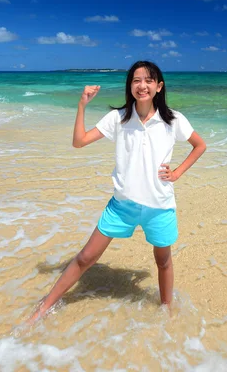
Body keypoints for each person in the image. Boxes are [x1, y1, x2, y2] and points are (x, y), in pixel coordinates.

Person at [28, 60, 206, 322]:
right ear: (129, 86)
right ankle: (42, 309)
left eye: (148, 80)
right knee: (85, 257)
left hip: (159, 205)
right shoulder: (118, 118)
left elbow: (199, 145)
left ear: (159, 86)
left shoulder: (173, 120)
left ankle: (167, 314)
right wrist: (82, 105)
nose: (142, 85)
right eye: (136, 80)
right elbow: (79, 142)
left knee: (163, 261)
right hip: (122, 205)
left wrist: (177, 173)